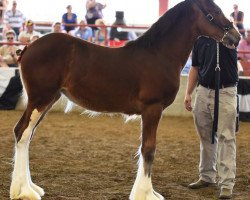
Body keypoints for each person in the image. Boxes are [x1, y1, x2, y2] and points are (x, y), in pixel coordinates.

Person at [184, 36, 238, 199]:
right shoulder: (199, 40)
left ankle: (227, 184)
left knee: (226, 137)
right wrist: (188, 92)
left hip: (225, 92)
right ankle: (207, 176)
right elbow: (195, 67)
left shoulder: (227, 37)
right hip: (203, 91)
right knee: (205, 137)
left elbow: (235, 39)